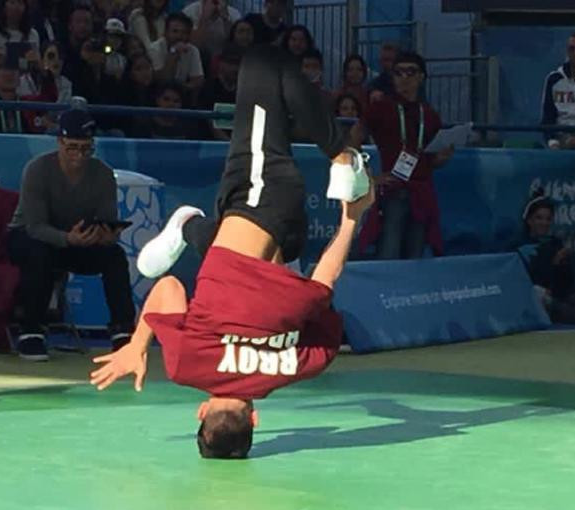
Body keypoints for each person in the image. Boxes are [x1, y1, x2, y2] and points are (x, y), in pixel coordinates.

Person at [89, 45, 371, 459]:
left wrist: (351, 217)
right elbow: (167, 286)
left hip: (280, 232)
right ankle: (340, 153)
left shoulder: (298, 367)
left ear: (254, 419)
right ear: (201, 411)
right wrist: (137, 345)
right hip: (258, 206)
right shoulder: (184, 366)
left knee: (273, 68)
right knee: (260, 61)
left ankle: (192, 227)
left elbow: (324, 281)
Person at [7, 109, 136, 361]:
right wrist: (67, 239)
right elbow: (34, 226)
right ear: (59, 143)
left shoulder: (103, 173)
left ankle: (122, 331)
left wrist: (106, 235)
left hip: (79, 240)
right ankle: (31, 330)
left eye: (86, 149)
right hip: (31, 237)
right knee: (38, 253)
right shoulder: (38, 169)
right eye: (72, 148)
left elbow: (106, 217)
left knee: (114, 256)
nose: (79, 156)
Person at [350, 51, 453, 260]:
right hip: (393, 189)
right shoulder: (381, 108)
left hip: (421, 192)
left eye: (410, 72)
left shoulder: (429, 114)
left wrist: (440, 159)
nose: (404, 78)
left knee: (414, 256)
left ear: (421, 77)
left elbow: (430, 156)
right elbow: (352, 138)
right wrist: (369, 176)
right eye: (398, 73)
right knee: (389, 252)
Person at [150, 12, 204, 99]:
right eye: (175, 31)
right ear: (166, 32)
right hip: (158, 95)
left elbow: (198, 81)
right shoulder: (155, 48)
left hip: (182, 96)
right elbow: (161, 80)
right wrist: (173, 53)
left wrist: (180, 89)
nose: (179, 36)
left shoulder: (192, 50)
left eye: (184, 32)